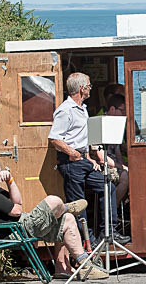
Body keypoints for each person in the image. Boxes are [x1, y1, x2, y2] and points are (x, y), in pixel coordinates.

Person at [0, 151, 107, 280]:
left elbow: (18, 203)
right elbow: (16, 211)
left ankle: (85, 265)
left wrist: (10, 181)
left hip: (20, 226)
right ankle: (65, 207)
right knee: (53, 200)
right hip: (14, 230)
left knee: (68, 219)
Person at [49, 73, 128, 245]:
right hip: (70, 162)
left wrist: (88, 158)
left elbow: (81, 138)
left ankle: (109, 231)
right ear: (81, 88)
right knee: (79, 204)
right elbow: (55, 138)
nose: (91, 89)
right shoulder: (65, 110)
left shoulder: (82, 109)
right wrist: (73, 153)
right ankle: (87, 242)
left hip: (82, 160)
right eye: (89, 86)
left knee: (107, 186)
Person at [104, 93, 129, 207]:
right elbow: (100, 155)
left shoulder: (116, 125)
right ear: (112, 109)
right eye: (122, 111)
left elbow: (117, 150)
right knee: (125, 177)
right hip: (103, 164)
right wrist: (120, 167)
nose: (124, 114)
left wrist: (122, 164)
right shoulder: (102, 123)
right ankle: (113, 210)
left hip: (114, 163)